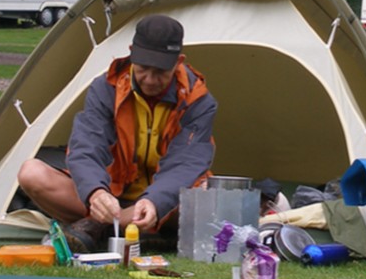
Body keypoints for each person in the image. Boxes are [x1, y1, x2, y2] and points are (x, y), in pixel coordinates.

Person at [16, 14, 216, 253]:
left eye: (161, 71)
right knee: (31, 173)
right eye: (142, 69)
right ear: (131, 53)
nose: (150, 80)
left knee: (209, 196)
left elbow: (187, 163)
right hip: (111, 198)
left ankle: (100, 228)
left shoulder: (199, 100)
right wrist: (95, 192)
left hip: (162, 204)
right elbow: (86, 146)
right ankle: (129, 229)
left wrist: (154, 202)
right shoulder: (106, 88)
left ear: (178, 61)